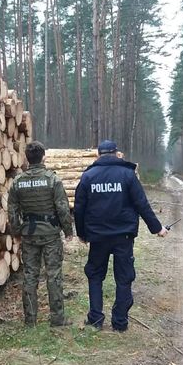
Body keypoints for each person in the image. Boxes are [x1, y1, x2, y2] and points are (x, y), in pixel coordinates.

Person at [74, 140, 168, 332]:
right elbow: (142, 204)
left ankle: (95, 320)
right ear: (117, 153)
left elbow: (79, 209)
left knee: (95, 276)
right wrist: (157, 228)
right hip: (123, 237)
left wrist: (82, 234)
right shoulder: (127, 175)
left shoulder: (88, 176)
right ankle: (120, 323)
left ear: (98, 155)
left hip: (98, 237)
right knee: (124, 278)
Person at [8, 141, 74, 327]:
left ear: (27, 158)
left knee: (30, 276)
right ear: (43, 156)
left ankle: (30, 320)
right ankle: (58, 319)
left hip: (29, 235)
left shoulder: (18, 182)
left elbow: (12, 211)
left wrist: (16, 232)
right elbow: (62, 208)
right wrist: (68, 231)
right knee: (53, 275)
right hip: (51, 235)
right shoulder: (53, 179)